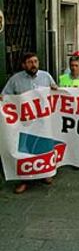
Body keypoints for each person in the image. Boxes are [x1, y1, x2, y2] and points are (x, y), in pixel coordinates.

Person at [1, 52, 57, 194]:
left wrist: (55, 91)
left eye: (36, 61)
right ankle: (25, 180)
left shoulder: (46, 76)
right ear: (24, 65)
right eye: (30, 62)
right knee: (26, 151)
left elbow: (55, 91)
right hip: (25, 123)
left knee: (44, 147)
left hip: (43, 122)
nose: (34, 64)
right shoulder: (15, 79)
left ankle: (46, 174)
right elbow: (5, 96)